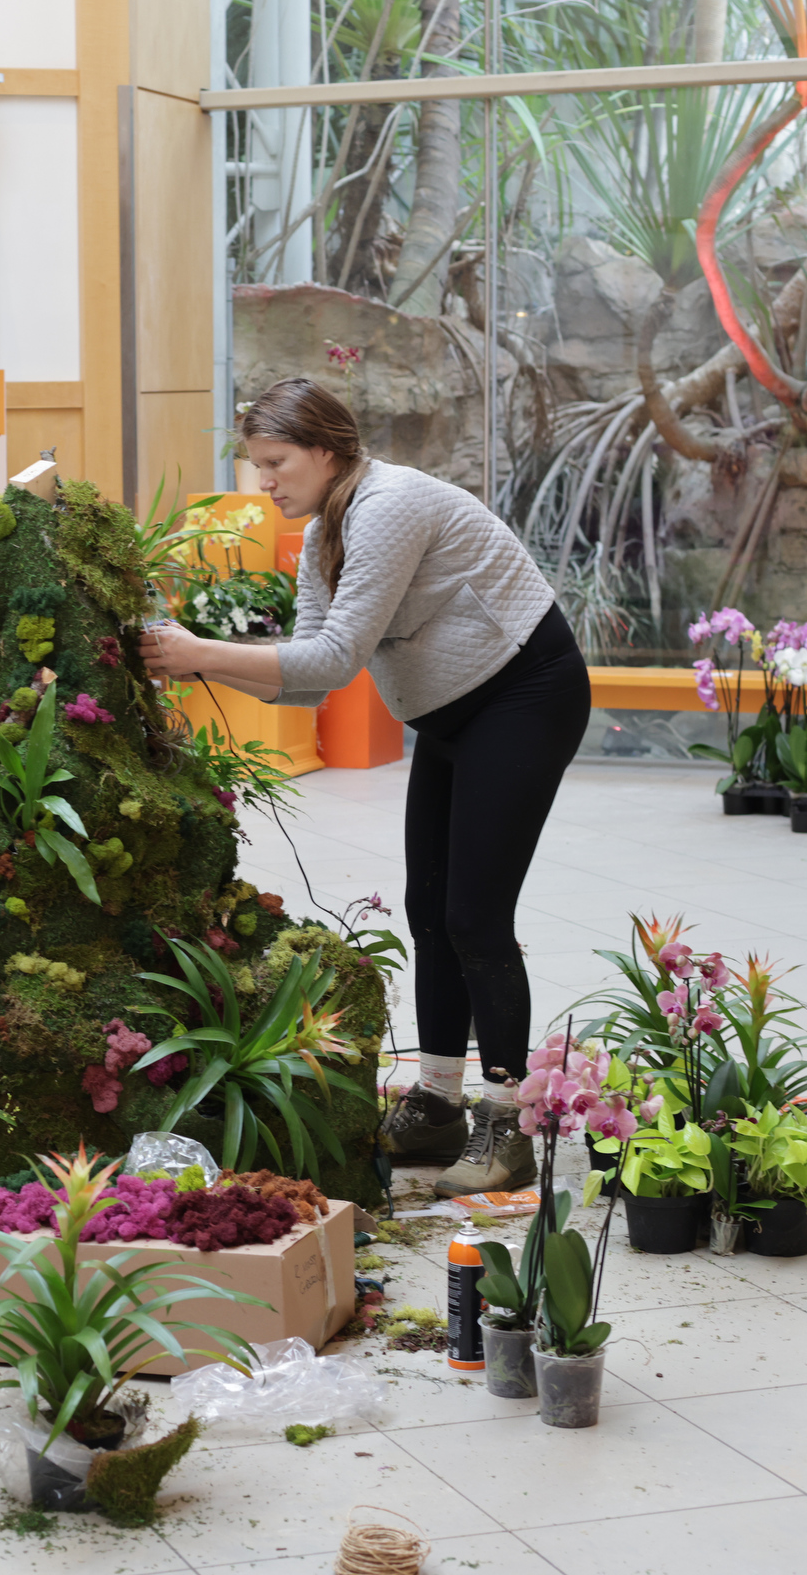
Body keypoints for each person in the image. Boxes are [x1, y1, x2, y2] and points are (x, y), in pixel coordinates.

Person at [136, 378, 589, 1197]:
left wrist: (200, 652)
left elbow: (339, 657)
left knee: (476, 919)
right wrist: (199, 661)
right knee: (430, 912)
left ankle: (504, 1122)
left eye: (274, 462)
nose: (263, 481)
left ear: (325, 449)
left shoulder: (387, 507)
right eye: (256, 465)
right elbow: (309, 679)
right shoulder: (324, 533)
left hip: (525, 695)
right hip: (453, 715)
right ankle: (439, 1104)